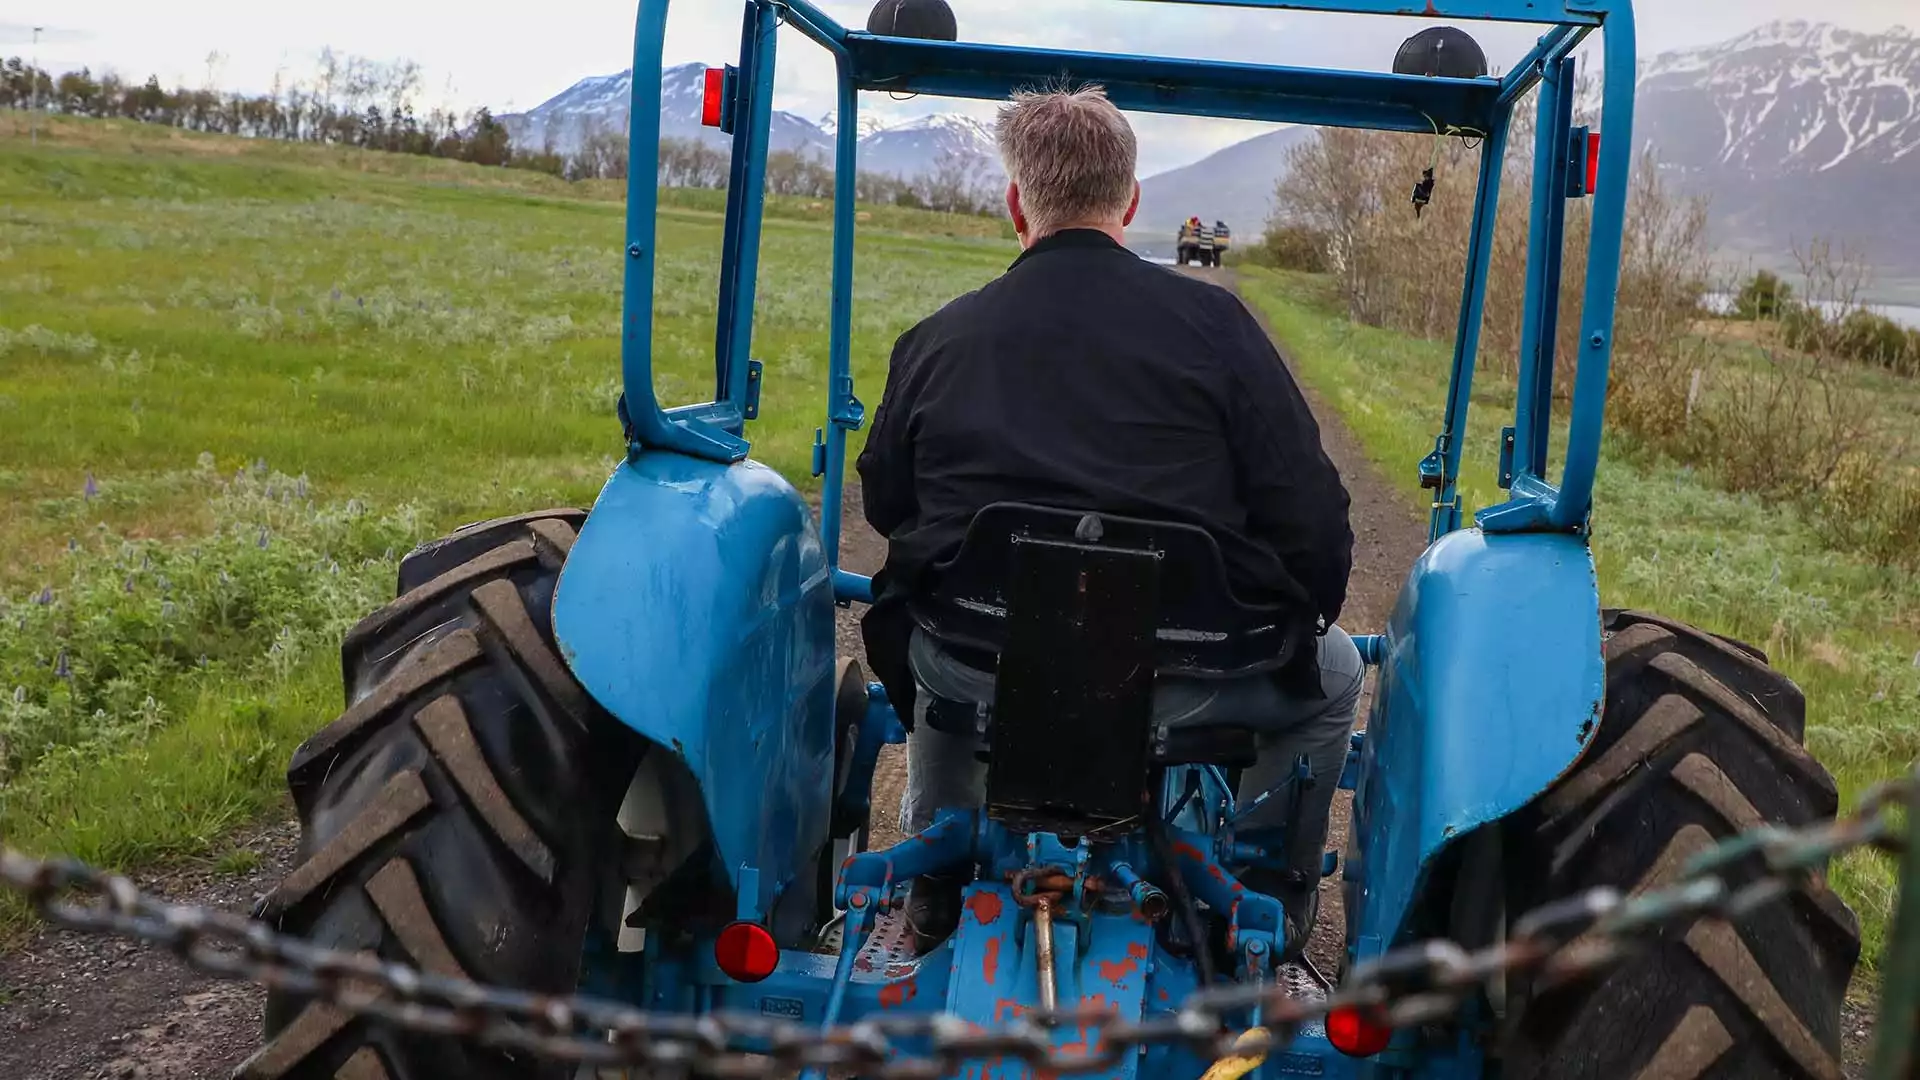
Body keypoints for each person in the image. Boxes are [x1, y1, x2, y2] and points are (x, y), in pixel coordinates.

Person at [855, 85, 1359, 955]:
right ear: (1129, 202)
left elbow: (890, 507)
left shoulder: (940, 338)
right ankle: (1264, 900)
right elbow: (1312, 522)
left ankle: (938, 873)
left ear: (1018, 203)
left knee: (938, 635)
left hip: (983, 661)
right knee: (1339, 672)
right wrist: (1298, 618)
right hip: (1193, 672)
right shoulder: (1219, 329)